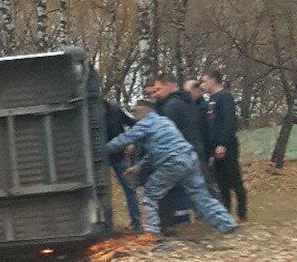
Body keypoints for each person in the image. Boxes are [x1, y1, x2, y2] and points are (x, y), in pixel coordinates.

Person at [106, 100, 237, 240]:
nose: (134, 116)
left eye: (135, 112)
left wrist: (99, 150)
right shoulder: (164, 121)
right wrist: (138, 166)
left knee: (150, 195)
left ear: (143, 112)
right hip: (190, 159)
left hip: (172, 163)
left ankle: (152, 234)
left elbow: (123, 140)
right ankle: (227, 225)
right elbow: (158, 150)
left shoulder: (145, 123)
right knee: (201, 196)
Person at [144, 73, 205, 228]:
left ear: (169, 85)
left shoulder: (171, 106)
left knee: (175, 190)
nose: (154, 95)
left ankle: (177, 224)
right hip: (191, 151)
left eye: (157, 90)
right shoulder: (184, 101)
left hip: (179, 154)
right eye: (150, 93)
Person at [200, 70, 248, 221]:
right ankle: (226, 213)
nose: (203, 85)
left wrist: (222, 144)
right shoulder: (210, 100)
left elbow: (229, 122)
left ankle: (242, 214)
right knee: (221, 183)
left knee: (234, 180)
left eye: (205, 81)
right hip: (214, 148)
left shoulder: (225, 97)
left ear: (213, 81)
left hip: (227, 147)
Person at [104, 98, 143, 232]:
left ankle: (136, 224)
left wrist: (132, 142)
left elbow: (134, 124)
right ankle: (107, 227)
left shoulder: (115, 109)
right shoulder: (86, 113)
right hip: (99, 160)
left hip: (119, 155)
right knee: (103, 192)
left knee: (130, 189)